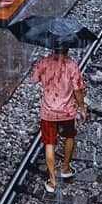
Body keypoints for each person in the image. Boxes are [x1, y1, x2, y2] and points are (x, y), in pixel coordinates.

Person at [31, 41, 87, 193]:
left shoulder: (43, 62)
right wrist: (82, 108)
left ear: (52, 47)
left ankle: (52, 181)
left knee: (49, 144)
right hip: (67, 111)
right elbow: (78, 90)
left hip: (48, 112)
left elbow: (34, 79)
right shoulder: (72, 65)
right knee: (69, 136)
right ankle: (66, 168)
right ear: (68, 49)